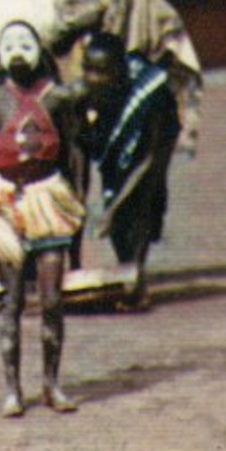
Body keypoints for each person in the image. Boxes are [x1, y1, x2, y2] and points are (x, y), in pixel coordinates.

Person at [0, 21, 85, 416]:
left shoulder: (59, 97)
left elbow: (74, 155)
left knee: (51, 300)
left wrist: (77, 206)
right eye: (9, 44)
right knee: (11, 302)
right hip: (4, 203)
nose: (17, 51)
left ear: (39, 50)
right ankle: (13, 390)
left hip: (48, 200)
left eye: (25, 43)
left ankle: (52, 384)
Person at [50, 0, 203, 156]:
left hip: (125, 88)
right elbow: (56, 44)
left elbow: (169, 30)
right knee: (78, 159)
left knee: (125, 159)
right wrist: (85, 21)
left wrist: (151, 71)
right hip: (83, 86)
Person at [78, 32, 180, 312]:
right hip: (118, 141)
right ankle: (127, 274)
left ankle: (136, 273)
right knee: (115, 193)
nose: (92, 77)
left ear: (119, 72)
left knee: (142, 201)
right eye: (87, 68)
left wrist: (110, 212)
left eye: (101, 72)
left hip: (155, 141)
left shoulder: (151, 95)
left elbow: (147, 161)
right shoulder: (85, 92)